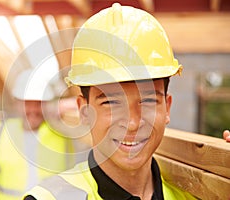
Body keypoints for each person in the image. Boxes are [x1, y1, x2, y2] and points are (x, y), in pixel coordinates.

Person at [23, 3, 200, 200]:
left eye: (148, 101)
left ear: (166, 108)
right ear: (84, 112)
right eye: (111, 103)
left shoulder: (195, 196)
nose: (132, 123)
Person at [0, 68, 75, 200]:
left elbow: (88, 114)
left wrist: (65, 106)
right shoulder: (0, 132)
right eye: (27, 103)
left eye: (38, 103)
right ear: (16, 102)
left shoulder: (62, 131)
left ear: (47, 103)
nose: (33, 109)